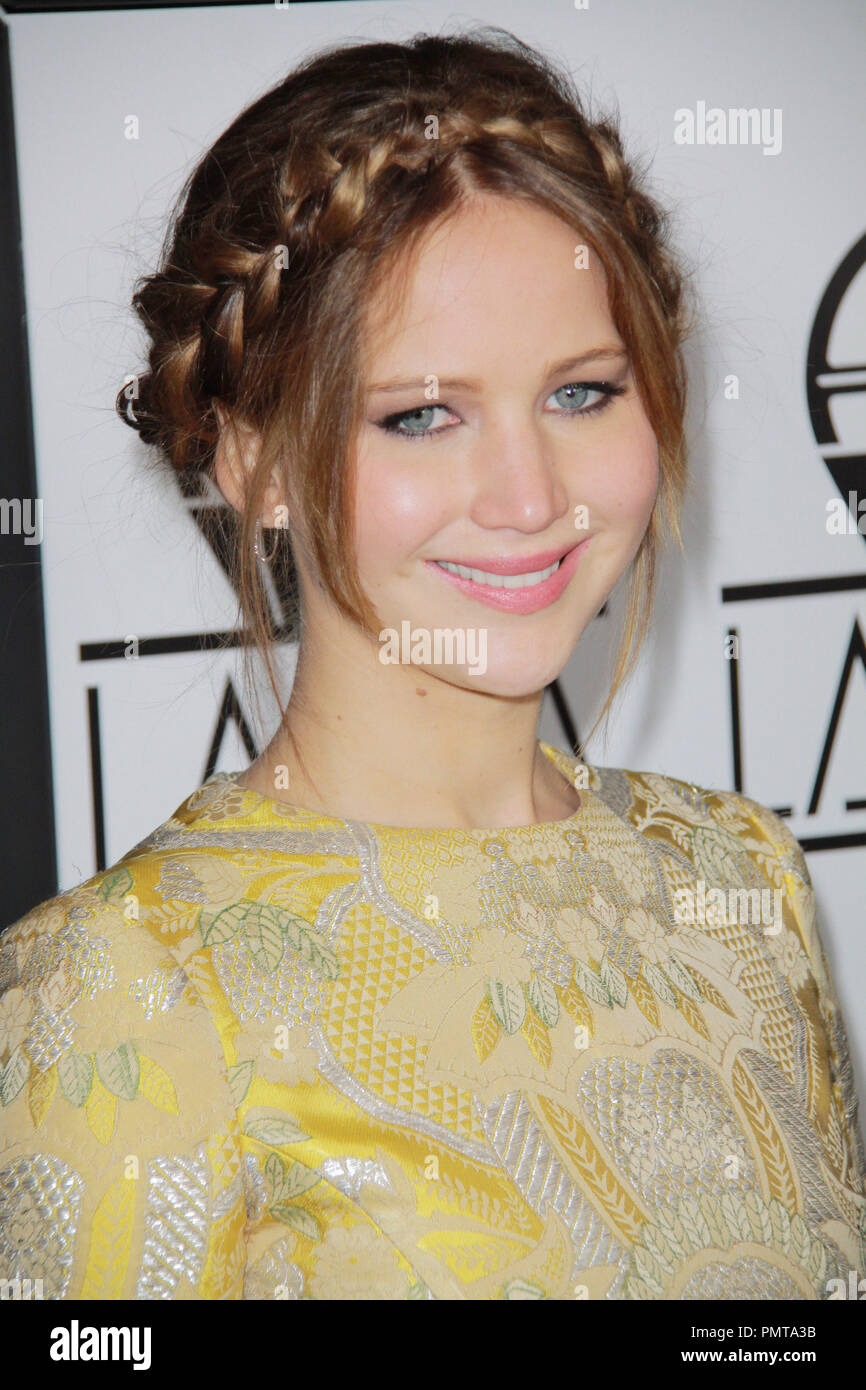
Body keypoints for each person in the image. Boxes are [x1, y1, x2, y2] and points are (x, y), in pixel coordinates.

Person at [1, 26, 863, 1302]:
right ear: (256, 461)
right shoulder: (125, 988)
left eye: (581, 393)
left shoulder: (744, 883)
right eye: (420, 415)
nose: (528, 497)